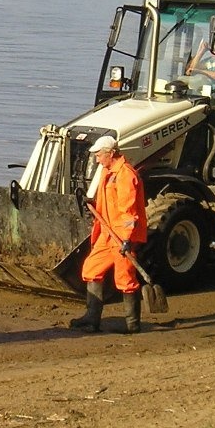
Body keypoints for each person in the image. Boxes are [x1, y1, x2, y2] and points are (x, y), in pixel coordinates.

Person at [69, 135, 148, 334]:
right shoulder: (108, 171)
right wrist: (93, 206)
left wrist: (127, 239)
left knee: (125, 279)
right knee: (91, 269)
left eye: (98, 155)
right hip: (107, 232)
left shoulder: (125, 175)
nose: (96, 159)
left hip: (121, 237)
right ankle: (91, 319)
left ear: (110, 153)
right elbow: (109, 205)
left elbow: (129, 212)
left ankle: (132, 325)